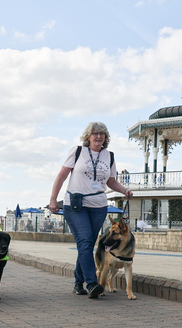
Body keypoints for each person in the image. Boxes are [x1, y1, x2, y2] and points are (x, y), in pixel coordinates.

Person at [49, 122, 133, 298]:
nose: (98, 136)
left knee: (86, 244)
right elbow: (62, 175)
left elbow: (111, 181)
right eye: (95, 133)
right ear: (88, 136)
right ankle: (92, 283)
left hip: (98, 206)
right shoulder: (78, 151)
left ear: (105, 137)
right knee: (85, 242)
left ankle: (78, 282)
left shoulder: (109, 156)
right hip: (76, 204)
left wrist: (124, 190)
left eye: (102, 134)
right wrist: (52, 199)